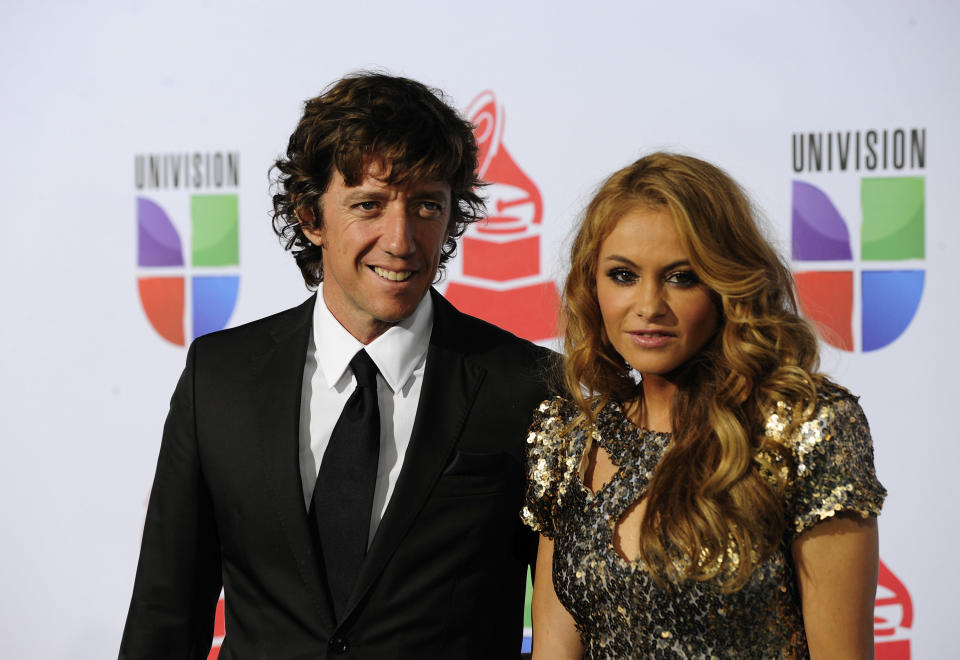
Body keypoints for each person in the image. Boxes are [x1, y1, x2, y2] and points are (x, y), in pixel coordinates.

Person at [120, 72, 553, 659]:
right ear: (310, 216)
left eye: (427, 205)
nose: (401, 240)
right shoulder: (217, 377)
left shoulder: (528, 387)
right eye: (368, 206)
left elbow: (564, 625)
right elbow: (166, 614)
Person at [522, 152, 886, 658]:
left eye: (682, 276)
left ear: (725, 283)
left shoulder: (803, 427)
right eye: (623, 275)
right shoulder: (567, 439)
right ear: (592, 286)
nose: (649, 306)